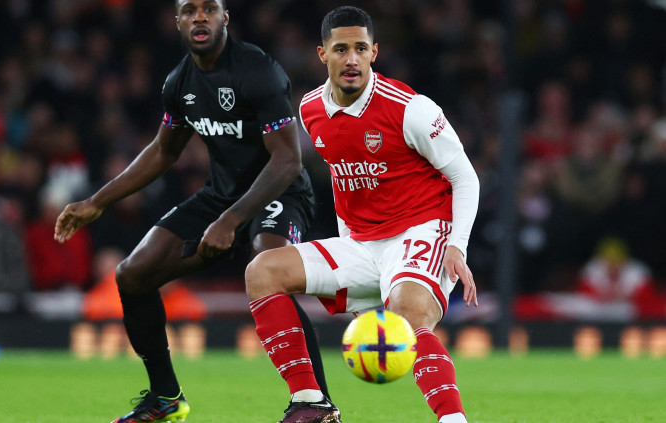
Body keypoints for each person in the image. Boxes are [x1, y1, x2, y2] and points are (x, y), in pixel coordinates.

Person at [53, 0, 332, 421]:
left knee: (268, 264)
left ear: (225, 18)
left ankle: (315, 404)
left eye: (208, 8)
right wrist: (97, 201)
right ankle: (165, 398)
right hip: (221, 198)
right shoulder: (178, 83)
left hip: (280, 193)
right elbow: (162, 152)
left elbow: (288, 160)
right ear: (178, 22)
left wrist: (231, 221)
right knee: (133, 273)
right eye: (189, 10)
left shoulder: (258, 71)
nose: (199, 16)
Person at [245, 6, 479, 423]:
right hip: (363, 242)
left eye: (360, 48)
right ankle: (311, 403)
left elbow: (465, 176)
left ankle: (453, 420)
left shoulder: (411, 109)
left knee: (409, 315)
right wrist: (352, 259)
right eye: (341, 49)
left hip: (422, 229)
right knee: (262, 271)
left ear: (374, 52)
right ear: (322, 54)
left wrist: (457, 246)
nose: (351, 59)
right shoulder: (311, 109)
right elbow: (344, 180)